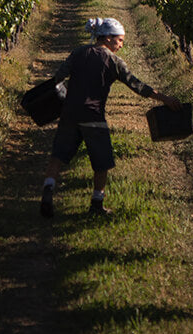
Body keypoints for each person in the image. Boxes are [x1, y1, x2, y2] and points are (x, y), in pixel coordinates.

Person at [40, 16, 182, 218]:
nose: (121, 45)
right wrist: (164, 99)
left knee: (58, 157)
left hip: (69, 114)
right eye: (120, 40)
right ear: (107, 38)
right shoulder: (113, 61)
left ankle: (48, 190)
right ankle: (97, 204)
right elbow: (137, 86)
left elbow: (58, 77)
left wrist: (63, 96)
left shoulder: (79, 52)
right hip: (94, 116)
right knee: (102, 163)